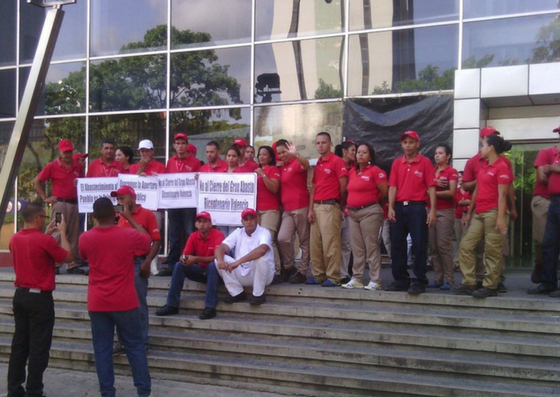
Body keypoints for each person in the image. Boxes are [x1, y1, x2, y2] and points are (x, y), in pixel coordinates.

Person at [79, 197, 152, 397]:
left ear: (94, 216)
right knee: (135, 346)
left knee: (102, 349)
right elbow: (146, 241)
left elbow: (83, 256)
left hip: (97, 301)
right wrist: (130, 217)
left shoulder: (85, 237)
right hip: (124, 300)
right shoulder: (128, 234)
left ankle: (107, 392)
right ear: (115, 214)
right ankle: (144, 391)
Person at [7, 203, 73, 397]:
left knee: (19, 344)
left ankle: (14, 388)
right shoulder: (45, 241)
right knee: (39, 346)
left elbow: (32, 249)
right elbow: (68, 257)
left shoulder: (14, 238)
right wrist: (63, 233)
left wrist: (46, 233)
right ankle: (34, 390)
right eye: (44, 217)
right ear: (37, 219)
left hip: (20, 294)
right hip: (40, 298)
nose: (46, 220)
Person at [455, 135, 513, 298]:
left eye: (482, 146)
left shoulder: (502, 166)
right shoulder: (484, 167)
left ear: (491, 148)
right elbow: (476, 191)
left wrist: (501, 217)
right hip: (480, 212)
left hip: (494, 211)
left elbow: (503, 195)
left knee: (492, 250)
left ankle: (491, 285)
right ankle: (469, 282)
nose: (480, 149)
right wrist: (470, 212)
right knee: (466, 245)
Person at [111, 186, 161, 355]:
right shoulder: (117, 216)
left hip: (137, 262)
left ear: (132, 198)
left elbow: (154, 240)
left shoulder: (146, 214)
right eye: (117, 199)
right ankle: (123, 341)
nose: (119, 201)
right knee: (119, 304)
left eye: (122, 198)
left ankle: (142, 341)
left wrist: (148, 261)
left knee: (138, 303)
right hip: (119, 263)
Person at [386, 131, 436, 295]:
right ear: (402, 145)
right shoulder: (397, 163)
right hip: (399, 206)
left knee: (420, 243)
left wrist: (432, 210)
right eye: (405, 142)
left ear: (417, 144)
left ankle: (420, 280)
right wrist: (391, 207)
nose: (407, 145)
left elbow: (431, 187)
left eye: (411, 142)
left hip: (417, 207)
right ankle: (401, 279)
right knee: (397, 244)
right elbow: (392, 186)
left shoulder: (425, 162)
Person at [155, 211, 224, 320]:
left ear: (210, 224)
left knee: (212, 266)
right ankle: (172, 305)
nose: (202, 224)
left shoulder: (218, 235)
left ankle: (210, 307)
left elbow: (218, 258)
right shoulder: (193, 236)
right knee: (179, 265)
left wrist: (196, 259)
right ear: (195, 224)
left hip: (217, 273)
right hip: (201, 271)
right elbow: (184, 254)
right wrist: (184, 259)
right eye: (199, 222)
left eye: (205, 222)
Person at [33, 139, 85, 274]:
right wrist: (45, 197)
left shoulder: (77, 166)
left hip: (74, 203)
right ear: (60, 152)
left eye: (70, 152)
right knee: (56, 232)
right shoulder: (52, 166)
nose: (68, 154)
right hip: (60, 203)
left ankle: (71, 264)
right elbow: (37, 181)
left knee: (74, 234)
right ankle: (54, 263)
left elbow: (83, 182)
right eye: (65, 152)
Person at [342, 143, 388, 291]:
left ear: (370, 156)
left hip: (370, 212)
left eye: (364, 152)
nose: (360, 154)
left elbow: (385, 192)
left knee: (371, 246)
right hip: (353, 213)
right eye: (358, 152)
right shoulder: (352, 171)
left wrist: (374, 205)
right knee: (357, 248)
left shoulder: (375, 171)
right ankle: (357, 278)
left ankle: (376, 280)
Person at [306, 132, 348, 287]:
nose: (320, 145)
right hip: (316, 206)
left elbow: (344, 186)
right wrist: (310, 209)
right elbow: (314, 187)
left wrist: (339, 205)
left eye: (323, 142)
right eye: (317, 143)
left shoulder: (337, 161)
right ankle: (318, 275)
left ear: (330, 144)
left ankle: (333, 276)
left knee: (330, 244)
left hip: (330, 206)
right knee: (315, 244)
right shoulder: (318, 163)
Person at [159, 132, 201, 277]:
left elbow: (199, 181)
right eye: (178, 143)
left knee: (190, 232)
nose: (180, 146)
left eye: (183, 143)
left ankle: (192, 262)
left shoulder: (194, 161)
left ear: (187, 145)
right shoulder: (170, 161)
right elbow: (166, 180)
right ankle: (172, 264)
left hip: (189, 203)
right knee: (174, 234)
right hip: (174, 203)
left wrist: (197, 178)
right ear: (174, 146)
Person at [215, 208, 275, 305]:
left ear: (257, 220)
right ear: (242, 222)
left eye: (251, 218)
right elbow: (220, 248)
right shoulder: (238, 232)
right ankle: (237, 293)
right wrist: (221, 260)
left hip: (264, 275)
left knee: (261, 258)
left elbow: (262, 250)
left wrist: (238, 262)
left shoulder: (264, 232)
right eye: (246, 219)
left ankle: (258, 294)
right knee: (218, 259)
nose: (249, 222)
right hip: (243, 272)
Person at [527, 127, 560, 296]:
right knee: (549, 242)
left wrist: (554, 168)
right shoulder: (552, 153)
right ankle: (548, 282)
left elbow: (551, 170)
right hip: (554, 200)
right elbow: (542, 175)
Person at [275, 139, 311, 284]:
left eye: (284, 152)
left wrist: (296, 155)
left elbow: (306, 165)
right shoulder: (282, 166)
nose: (282, 155)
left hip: (301, 206)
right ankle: (289, 267)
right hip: (287, 209)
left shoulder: (297, 162)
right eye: (279, 153)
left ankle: (302, 271)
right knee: (282, 238)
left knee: (304, 241)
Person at [426, 144, 458, 290]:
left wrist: (432, 191)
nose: (436, 155)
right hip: (430, 209)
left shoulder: (451, 171)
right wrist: (433, 185)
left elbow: (451, 193)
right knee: (433, 247)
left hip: (445, 211)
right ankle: (438, 278)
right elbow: (422, 187)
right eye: (435, 153)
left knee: (443, 245)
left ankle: (450, 280)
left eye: (440, 153)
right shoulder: (431, 171)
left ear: (448, 156)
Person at [255, 146, 282, 283]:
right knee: (257, 242)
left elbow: (274, 188)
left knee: (268, 240)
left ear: (270, 157)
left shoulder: (274, 170)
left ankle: (277, 271)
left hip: (270, 210)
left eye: (265, 154)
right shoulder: (255, 171)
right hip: (256, 211)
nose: (261, 157)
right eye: (259, 154)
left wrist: (262, 174)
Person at [335, 141, 356, 284]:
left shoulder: (355, 168)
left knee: (347, 243)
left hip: (351, 209)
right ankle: (331, 272)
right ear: (344, 151)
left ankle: (343, 273)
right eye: (353, 150)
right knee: (333, 242)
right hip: (335, 207)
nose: (355, 153)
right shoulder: (336, 164)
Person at [453, 171, 471, 270]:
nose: (460, 179)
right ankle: (459, 263)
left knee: (465, 241)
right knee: (459, 240)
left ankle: (457, 263)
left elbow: (472, 201)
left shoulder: (470, 192)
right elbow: (455, 204)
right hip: (457, 217)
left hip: (466, 217)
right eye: (458, 177)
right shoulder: (456, 191)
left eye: (461, 177)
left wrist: (464, 202)